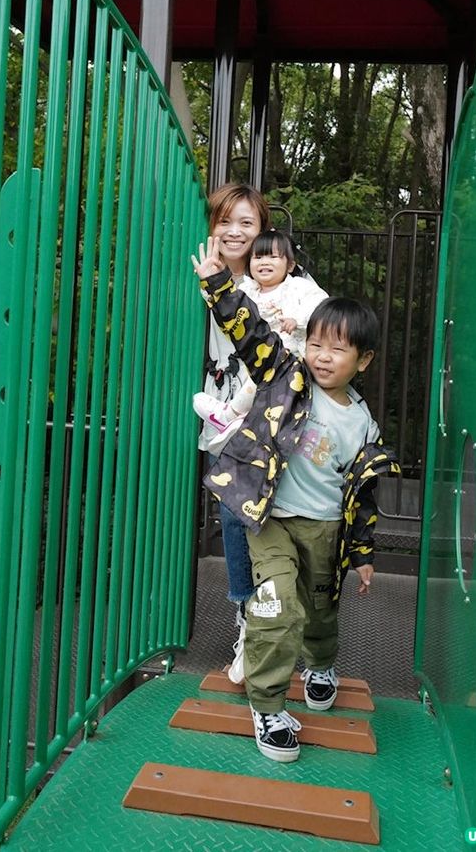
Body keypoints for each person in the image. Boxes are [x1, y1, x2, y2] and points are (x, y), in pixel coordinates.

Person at [192, 236, 400, 764]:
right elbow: (251, 333)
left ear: (363, 360)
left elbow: (364, 496)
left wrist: (365, 553)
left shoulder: (363, 424)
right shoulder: (286, 378)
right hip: (272, 521)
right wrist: (219, 284)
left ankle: (321, 663)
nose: (322, 356)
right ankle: (266, 706)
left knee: (320, 614)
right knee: (276, 608)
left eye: (338, 348)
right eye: (316, 343)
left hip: (325, 531)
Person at [199, 183, 271, 683]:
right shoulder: (198, 274)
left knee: (244, 513)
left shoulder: (278, 277)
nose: (235, 231)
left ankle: (253, 617)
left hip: (261, 413)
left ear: (262, 229)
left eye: (246, 222)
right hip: (213, 409)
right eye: (226, 220)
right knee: (232, 514)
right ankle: (250, 615)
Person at [193, 229, 328, 453]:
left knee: (264, 383)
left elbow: (321, 305)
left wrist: (299, 320)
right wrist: (211, 279)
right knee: (253, 387)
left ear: (290, 265)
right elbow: (222, 304)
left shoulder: (297, 288)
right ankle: (239, 422)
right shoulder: (248, 290)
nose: (264, 262)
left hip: (286, 363)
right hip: (254, 362)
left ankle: (228, 415)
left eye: (273, 257)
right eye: (258, 257)